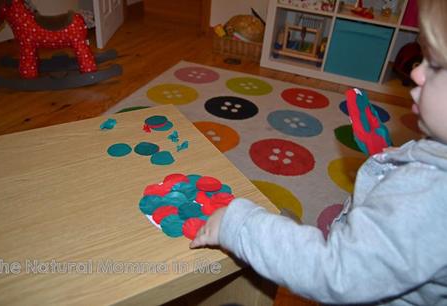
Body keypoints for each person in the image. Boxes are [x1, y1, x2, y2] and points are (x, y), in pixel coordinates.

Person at [190, 0, 447, 304]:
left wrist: (238, 226)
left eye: (437, 65)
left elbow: (338, 272)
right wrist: (395, 163)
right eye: (423, 58)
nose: (416, 73)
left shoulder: (428, 196)